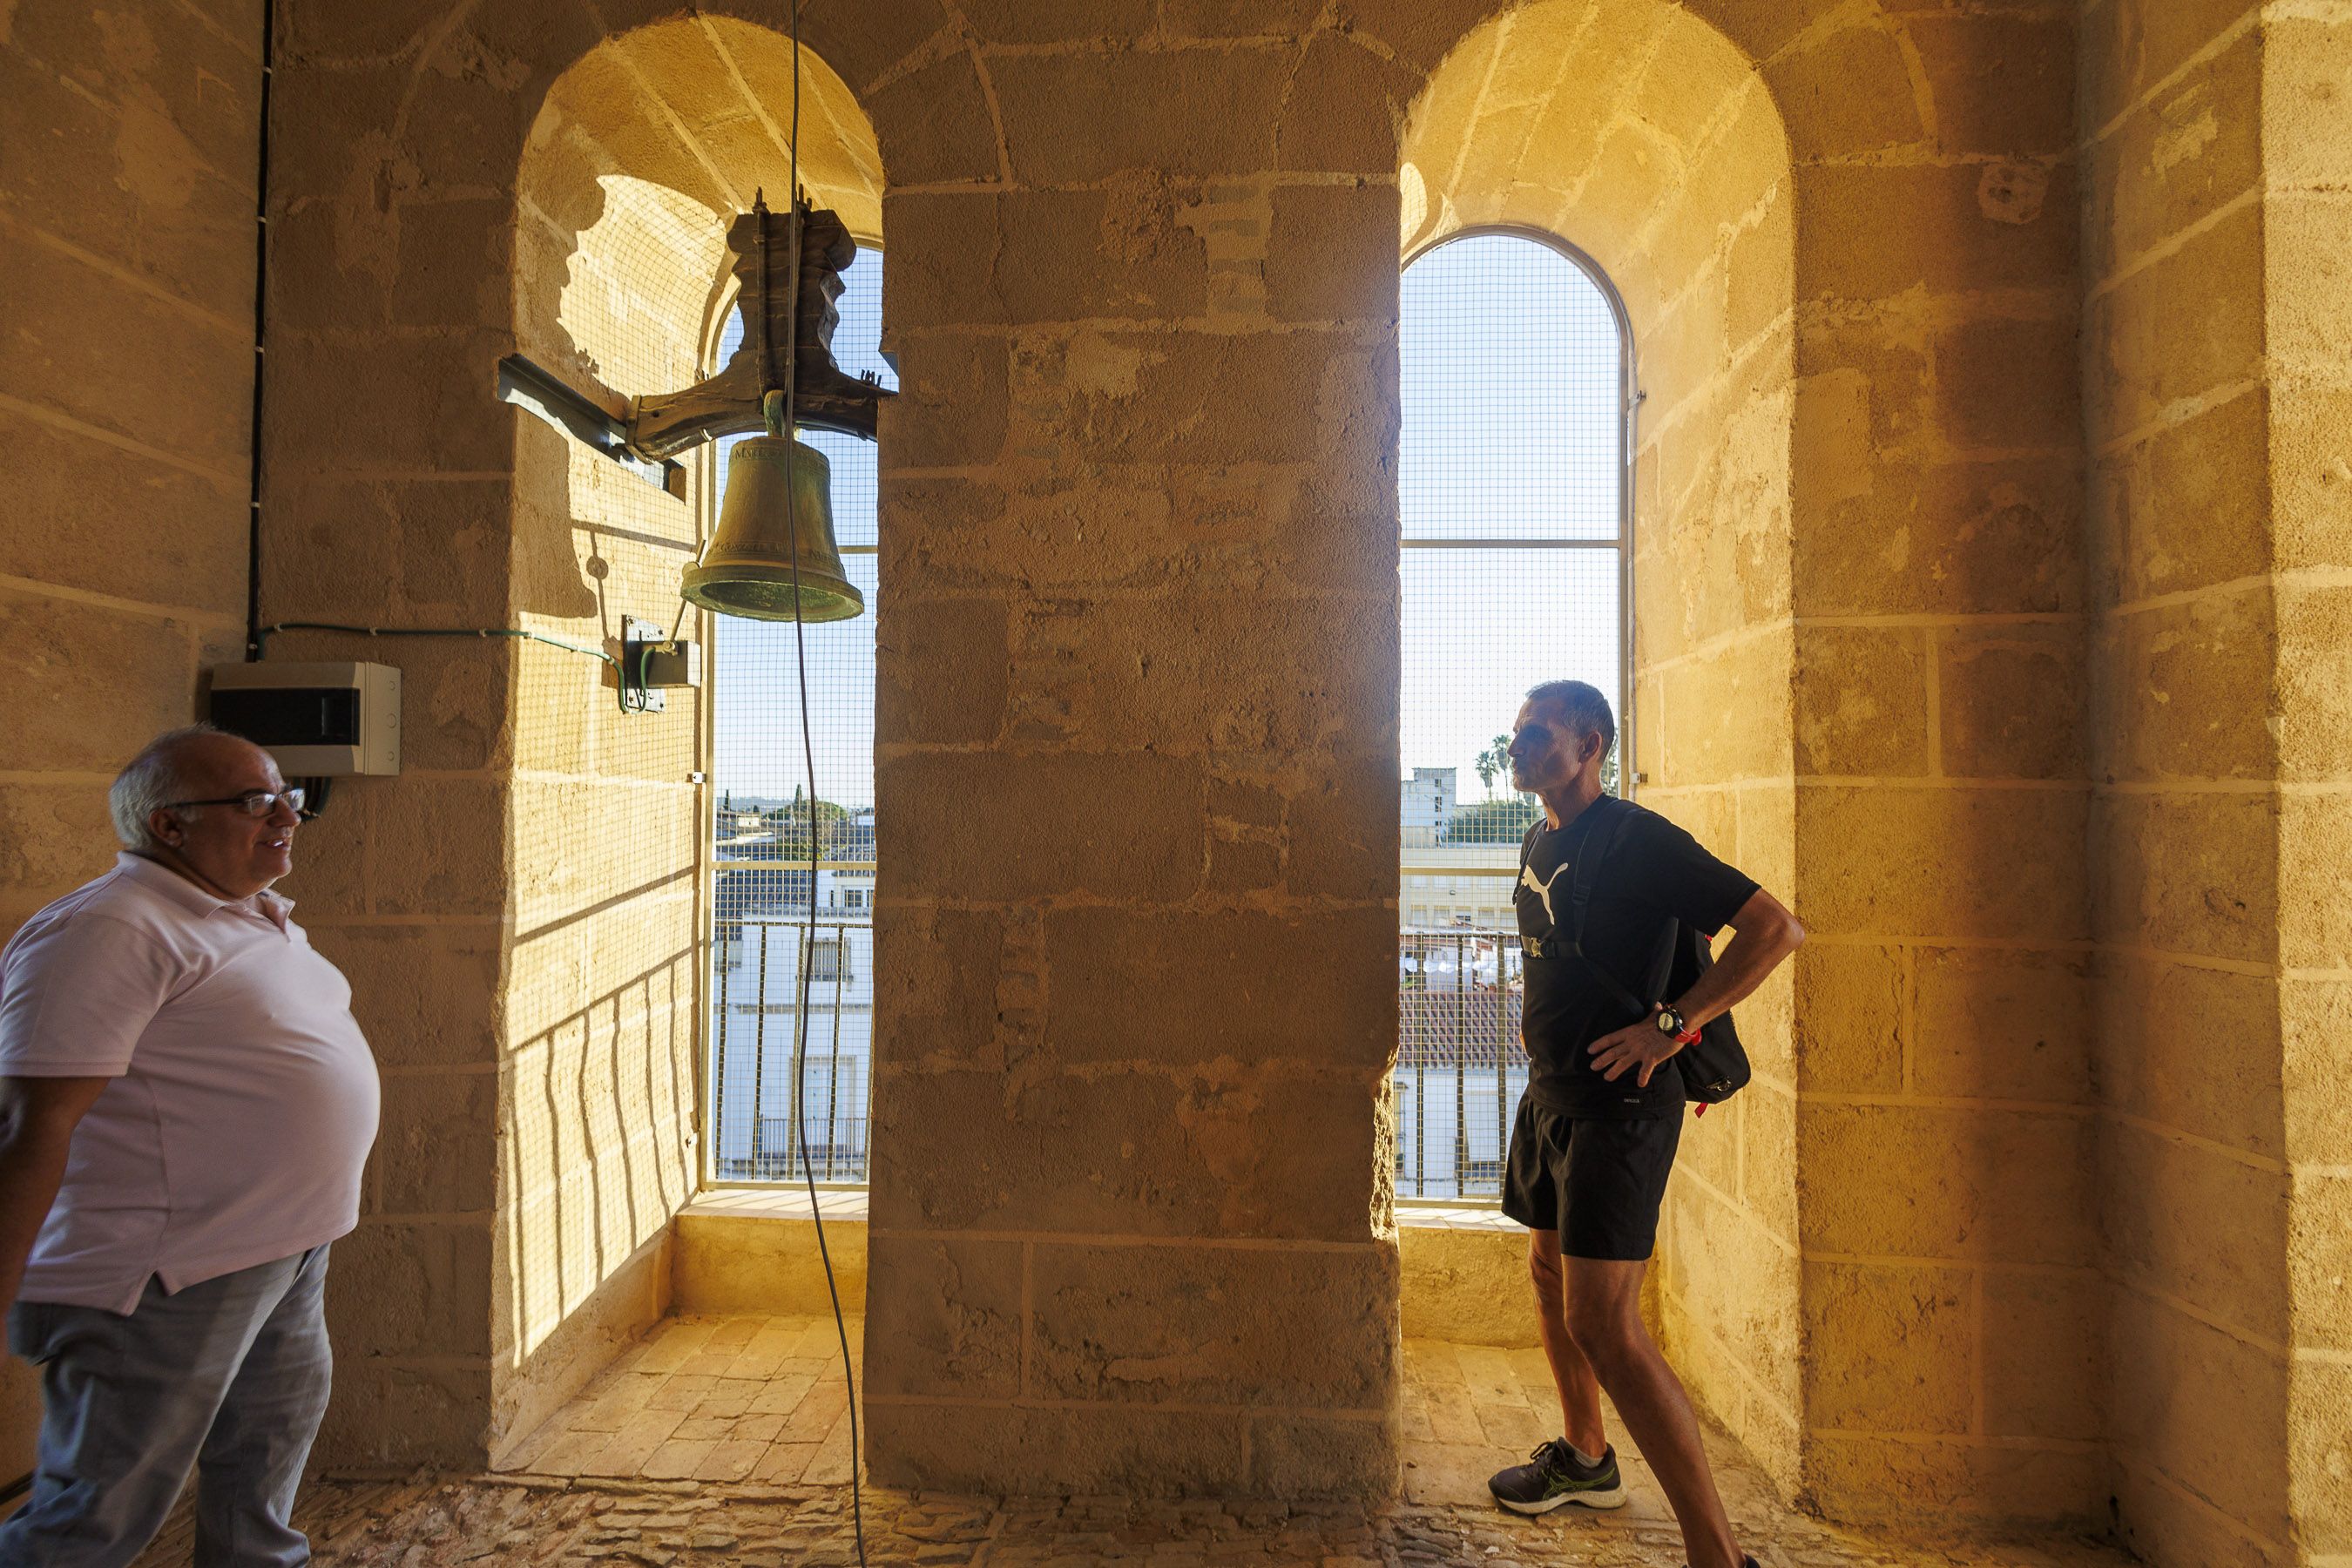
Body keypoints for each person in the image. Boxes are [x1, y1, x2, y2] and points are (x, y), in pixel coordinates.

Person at [0, 725, 381, 1566]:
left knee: (260, 1482)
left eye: (288, 796)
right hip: (162, 1273)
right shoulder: (110, 928)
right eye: (255, 801)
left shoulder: (243, 912)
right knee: (93, 1518)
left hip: (281, 1249)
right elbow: (33, 1126)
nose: (287, 815)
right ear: (169, 826)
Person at [1485, 680, 1801, 1568]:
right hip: (1553, 1096)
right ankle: (1586, 1458)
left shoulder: (1637, 839)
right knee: (1549, 1272)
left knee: (1607, 1325)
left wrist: (1671, 1028)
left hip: (1621, 1110)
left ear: (1589, 743)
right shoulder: (1539, 836)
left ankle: (1718, 1554)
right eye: (1514, 736)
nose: (1519, 749)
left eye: (1536, 735)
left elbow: (1774, 930)